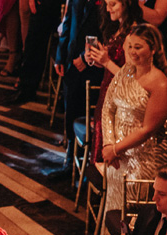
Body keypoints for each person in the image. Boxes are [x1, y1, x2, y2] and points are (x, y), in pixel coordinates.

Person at [91, 23, 167, 235]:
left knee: (133, 218)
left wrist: (116, 149)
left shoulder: (160, 82)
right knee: (113, 210)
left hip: (144, 161)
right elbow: (108, 108)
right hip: (117, 159)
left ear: (152, 49)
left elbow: (148, 129)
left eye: (138, 47)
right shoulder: (124, 72)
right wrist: (109, 143)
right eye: (129, 46)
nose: (132, 52)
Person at [46, 0, 102, 180]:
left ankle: (86, 167)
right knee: (70, 110)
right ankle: (69, 163)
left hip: (95, 66)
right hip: (72, 60)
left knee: (85, 112)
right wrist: (61, 57)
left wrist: (85, 59)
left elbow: (108, 33)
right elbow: (68, 20)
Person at [86, 0, 145, 162]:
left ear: (127, 4)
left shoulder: (133, 34)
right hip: (108, 94)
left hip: (120, 102)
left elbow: (131, 79)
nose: (108, 8)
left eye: (113, 4)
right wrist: (98, 59)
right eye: (106, 4)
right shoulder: (118, 28)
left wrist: (106, 62)